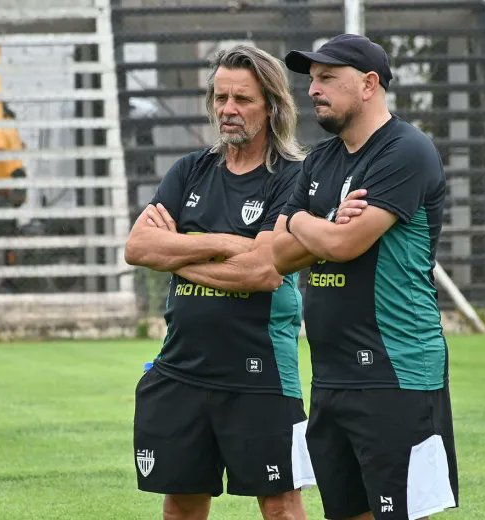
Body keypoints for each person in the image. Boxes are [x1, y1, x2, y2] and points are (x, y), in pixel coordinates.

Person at [272, 34, 458, 520]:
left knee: (399, 513)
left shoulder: (406, 150)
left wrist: (301, 221)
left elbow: (343, 245)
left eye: (327, 78)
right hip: (331, 373)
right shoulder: (320, 160)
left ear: (369, 84)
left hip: (396, 370)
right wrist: (324, 221)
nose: (313, 89)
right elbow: (278, 254)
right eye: (312, 80)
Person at [125, 45, 314, 520]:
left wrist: (178, 253)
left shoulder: (292, 178)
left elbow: (263, 271)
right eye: (220, 97)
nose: (228, 109)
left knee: (280, 505)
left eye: (242, 99)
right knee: (181, 504)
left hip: (260, 373)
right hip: (182, 368)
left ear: (271, 106)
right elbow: (138, 247)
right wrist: (225, 243)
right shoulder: (190, 169)